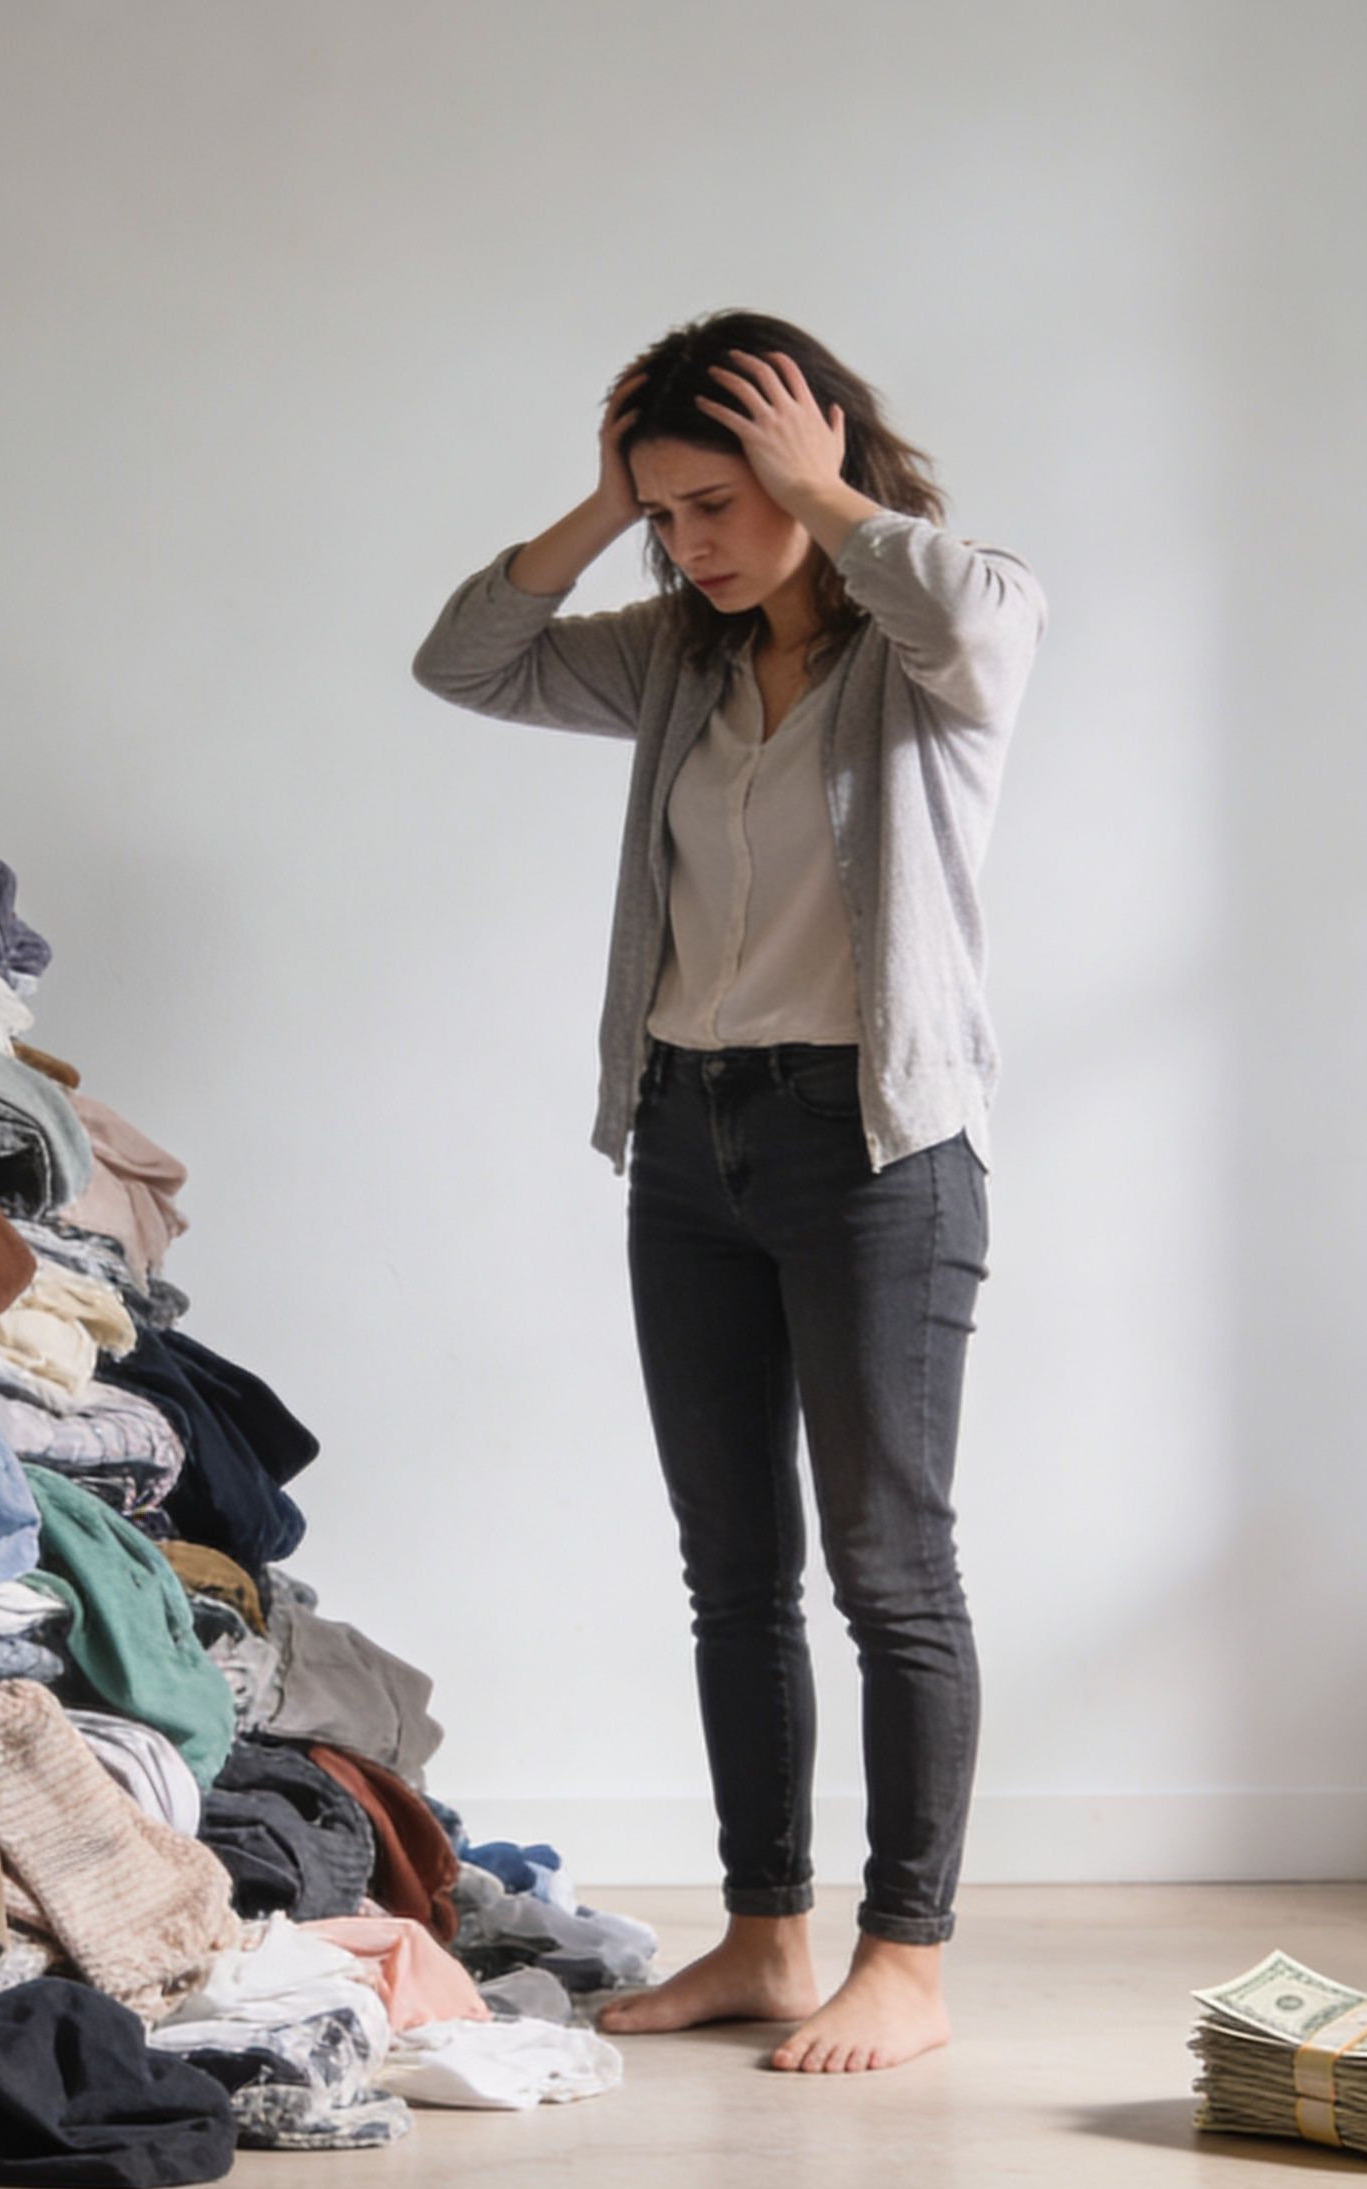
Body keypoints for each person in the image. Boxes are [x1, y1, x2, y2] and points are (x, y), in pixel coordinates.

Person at [411, 311, 1042, 2074]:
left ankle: (901, 1961)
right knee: (734, 1569)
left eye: (717, 501)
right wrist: (597, 503)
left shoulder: (933, 640)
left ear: (809, 459)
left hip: (877, 1151)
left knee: (889, 1568)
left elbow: (981, 617)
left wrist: (823, 492)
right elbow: (464, 659)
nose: (690, 540)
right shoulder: (672, 660)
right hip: (688, 1140)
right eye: (664, 508)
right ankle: (769, 1934)